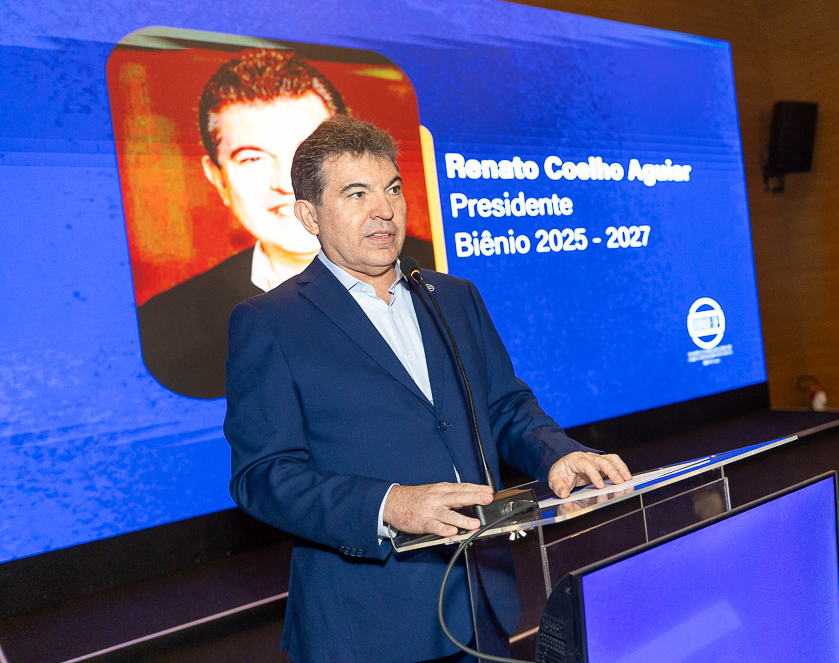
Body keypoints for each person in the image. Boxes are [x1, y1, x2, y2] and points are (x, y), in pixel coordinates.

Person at [224, 115, 632, 662]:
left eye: (392, 189)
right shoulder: (270, 322)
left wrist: (557, 455)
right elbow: (263, 476)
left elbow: (504, 406)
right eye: (357, 194)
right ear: (309, 215)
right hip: (368, 627)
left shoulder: (454, 296)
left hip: (482, 605)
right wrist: (389, 504)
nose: (384, 210)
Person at [137, 48, 433, 399]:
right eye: (253, 159)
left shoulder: (436, 275)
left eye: (306, 156)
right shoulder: (164, 329)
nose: (285, 183)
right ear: (217, 179)